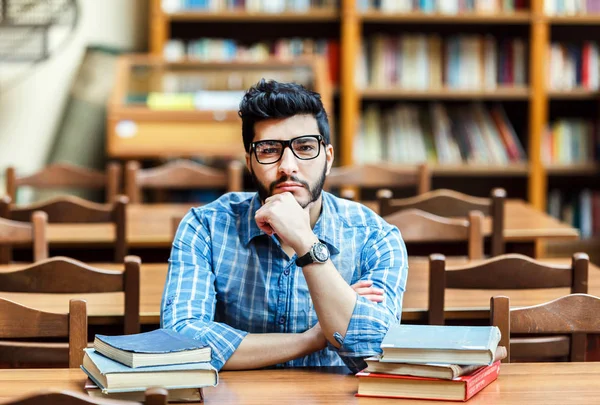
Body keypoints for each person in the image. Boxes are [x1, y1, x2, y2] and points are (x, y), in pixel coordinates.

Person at [161, 79, 408, 373]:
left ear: (328, 159)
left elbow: (375, 352)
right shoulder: (206, 226)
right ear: (249, 162)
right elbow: (181, 341)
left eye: (304, 147)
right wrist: (316, 337)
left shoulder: (376, 236)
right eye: (268, 150)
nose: (287, 166)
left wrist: (306, 243)